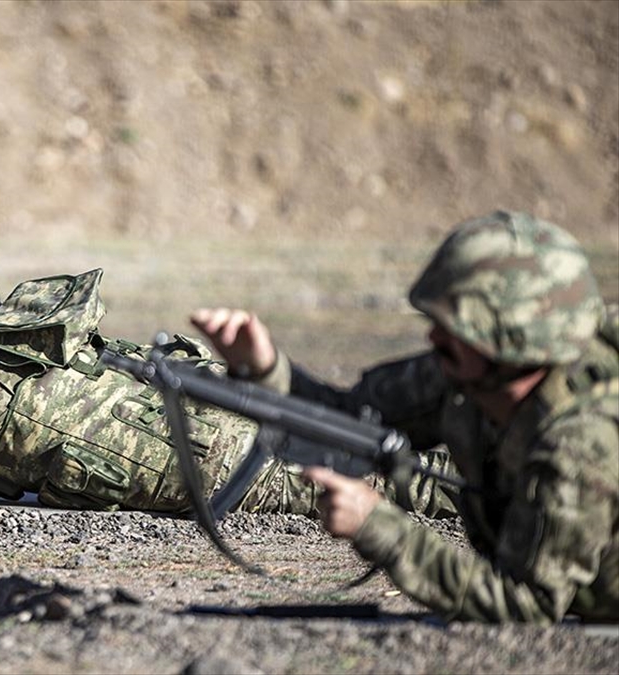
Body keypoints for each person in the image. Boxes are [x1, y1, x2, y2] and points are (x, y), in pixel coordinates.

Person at [0, 255, 455, 515]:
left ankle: (526, 492)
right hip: (205, 441)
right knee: (386, 461)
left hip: (213, 465)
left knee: (401, 480)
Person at [191, 210, 617, 623]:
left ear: (517, 345)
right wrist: (266, 369)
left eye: (458, 330)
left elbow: (526, 603)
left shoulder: (581, 443)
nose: (434, 337)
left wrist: (381, 528)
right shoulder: (464, 373)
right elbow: (354, 418)